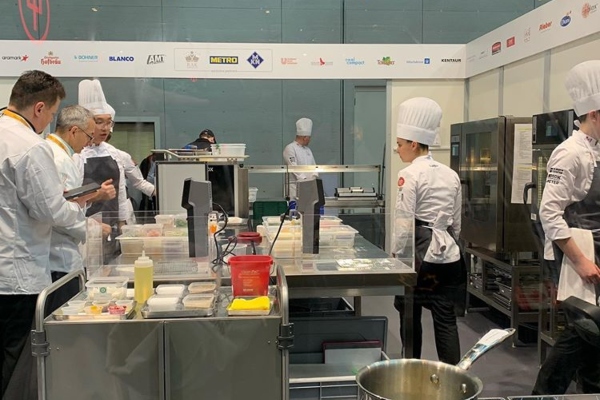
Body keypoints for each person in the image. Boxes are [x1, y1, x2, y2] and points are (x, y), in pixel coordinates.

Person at [0, 70, 88, 396]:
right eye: (52, 113)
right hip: (17, 278)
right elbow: (51, 210)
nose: (51, 121)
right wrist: (83, 219)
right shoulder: (28, 146)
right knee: (17, 365)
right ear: (38, 108)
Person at [532, 60, 600, 395]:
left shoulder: (596, 151)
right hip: (578, 254)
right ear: (595, 114)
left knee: (593, 335)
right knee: (584, 330)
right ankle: (543, 392)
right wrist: (581, 261)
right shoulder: (569, 154)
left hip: (594, 253)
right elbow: (549, 213)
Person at [391, 97, 465, 365]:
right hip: (450, 256)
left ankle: (411, 369)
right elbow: (456, 222)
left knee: (408, 310)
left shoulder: (409, 174)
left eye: (400, 144)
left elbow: (403, 222)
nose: (397, 150)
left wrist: (396, 255)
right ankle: (453, 377)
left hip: (421, 256)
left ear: (413, 144)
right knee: (445, 318)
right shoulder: (450, 173)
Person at [46, 105, 115, 310]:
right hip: (57, 257)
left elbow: (68, 202)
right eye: (88, 135)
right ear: (74, 131)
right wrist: (92, 228)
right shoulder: (58, 160)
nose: (89, 142)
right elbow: (58, 212)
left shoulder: (60, 155)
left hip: (63, 252)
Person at [283, 118, 318, 199]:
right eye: (309, 138)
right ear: (305, 138)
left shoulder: (308, 150)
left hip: (309, 187)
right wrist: (305, 180)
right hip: (294, 187)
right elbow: (293, 167)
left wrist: (314, 178)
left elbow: (314, 166)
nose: (310, 140)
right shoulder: (290, 148)